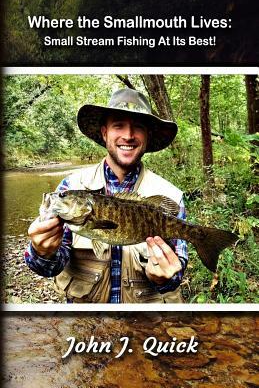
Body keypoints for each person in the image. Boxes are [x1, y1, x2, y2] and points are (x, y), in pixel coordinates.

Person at [25, 88, 188, 303]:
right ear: (104, 133)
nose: (128, 135)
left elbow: (177, 271)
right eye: (118, 125)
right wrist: (41, 252)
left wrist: (165, 279)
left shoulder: (170, 195)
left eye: (137, 127)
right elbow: (49, 268)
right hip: (87, 329)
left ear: (147, 136)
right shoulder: (71, 186)